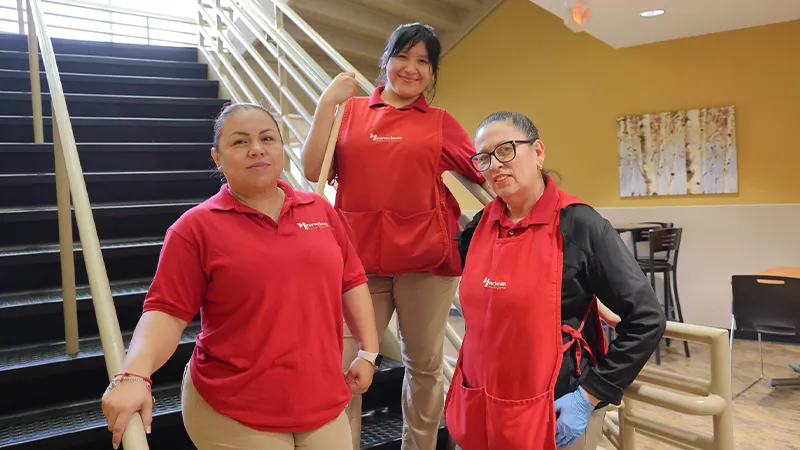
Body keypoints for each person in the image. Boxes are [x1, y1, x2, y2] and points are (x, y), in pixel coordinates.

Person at [101, 102, 381, 450]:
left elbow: (351, 281)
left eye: (267, 138)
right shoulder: (195, 228)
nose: (257, 149)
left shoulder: (319, 209)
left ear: (281, 147)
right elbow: (166, 312)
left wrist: (368, 351)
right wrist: (134, 374)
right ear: (217, 158)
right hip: (235, 405)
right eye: (240, 142)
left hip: (322, 398)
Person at [300, 22, 489, 450]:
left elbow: (482, 170)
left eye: (423, 61)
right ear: (385, 61)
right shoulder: (349, 112)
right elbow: (313, 170)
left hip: (427, 264)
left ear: (432, 73)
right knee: (344, 367)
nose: (411, 68)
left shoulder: (440, 123)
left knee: (423, 365)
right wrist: (327, 102)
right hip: (357, 266)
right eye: (402, 56)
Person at [444, 111, 666, 450]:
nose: (495, 165)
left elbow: (646, 319)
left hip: (555, 409)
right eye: (484, 158)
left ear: (538, 152)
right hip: (482, 403)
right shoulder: (481, 226)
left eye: (505, 150)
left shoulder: (579, 225)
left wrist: (590, 395)